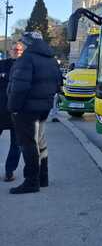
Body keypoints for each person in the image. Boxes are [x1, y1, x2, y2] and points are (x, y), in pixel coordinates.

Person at [7, 32, 62, 194]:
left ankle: (31, 182)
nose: (20, 46)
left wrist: (13, 108)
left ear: (27, 43)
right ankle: (42, 178)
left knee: (28, 144)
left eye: (22, 43)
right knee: (40, 141)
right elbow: (58, 83)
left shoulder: (26, 59)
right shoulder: (51, 59)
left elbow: (19, 88)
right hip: (44, 107)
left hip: (26, 109)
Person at [0, 42, 24, 182]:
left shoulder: (27, 66)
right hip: (1, 110)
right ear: (9, 51)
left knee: (17, 144)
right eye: (15, 49)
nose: (17, 51)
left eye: (20, 50)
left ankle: (10, 171)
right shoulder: (2, 64)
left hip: (18, 112)